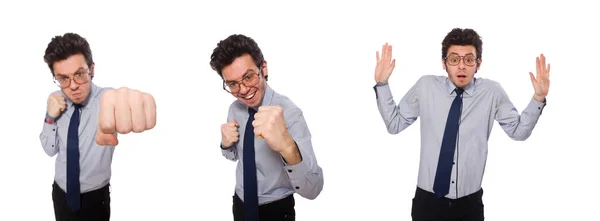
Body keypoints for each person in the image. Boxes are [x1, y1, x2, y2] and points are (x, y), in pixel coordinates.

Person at [372, 28, 550, 220]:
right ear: (444, 63)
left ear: (478, 64)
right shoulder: (426, 87)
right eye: (454, 59)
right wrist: (382, 84)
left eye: (469, 59)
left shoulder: (492, 92)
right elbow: (394, 124)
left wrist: (538, 98)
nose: (462, 66)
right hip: (428, 203)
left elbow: (518, 132)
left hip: (469, 205)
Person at [39, 33, 157, 221]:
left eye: (79, 74)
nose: (73, 86)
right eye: (63, 78)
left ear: (91, 69)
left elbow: (122, 100)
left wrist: (140, 104)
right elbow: (49, 150)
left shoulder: (108, 99)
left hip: (95, 198)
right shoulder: (56, 100)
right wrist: (49, 117)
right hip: (61, 193)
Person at [210, 34, 324, 221]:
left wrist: (288, 146)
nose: (243, 90)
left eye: (248, 77)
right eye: (233, 84)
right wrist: (225, 144)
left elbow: (314, 189)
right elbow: (235, 156)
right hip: (240, 203)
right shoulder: (235, 109)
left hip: (276, 210)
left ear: (263, 68)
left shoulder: (290, 113)